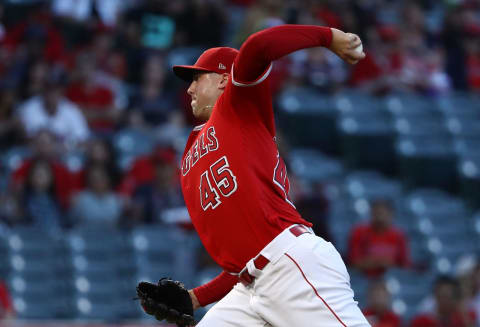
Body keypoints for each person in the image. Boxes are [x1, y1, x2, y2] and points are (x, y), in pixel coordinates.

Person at [161, 24, 368, 326]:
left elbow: (257, 46)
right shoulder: (192, 150)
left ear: (223, 80)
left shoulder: (238, 106)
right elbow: (237, 264)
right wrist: (195, 298)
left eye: (197, 77)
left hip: (290, 264)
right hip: (248, 286)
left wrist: (328, 37)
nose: (190, 88)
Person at [347, 199, 410, 278]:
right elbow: (353, 262)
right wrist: (378, 262)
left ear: (391, 214)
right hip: (363, 278)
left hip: (390, 279)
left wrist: (386, 264)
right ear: (371, 213)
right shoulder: (359, 232)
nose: (380, 217)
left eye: (383, 213)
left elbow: (404, 265)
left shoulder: (399, 235)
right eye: (377, 213)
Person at [410, 275, 475, 327]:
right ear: (435, 295)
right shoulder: (422, 321)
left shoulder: (462, 319)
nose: (445, 300)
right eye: (443, 296)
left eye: (449, 297)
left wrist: (464, 316)